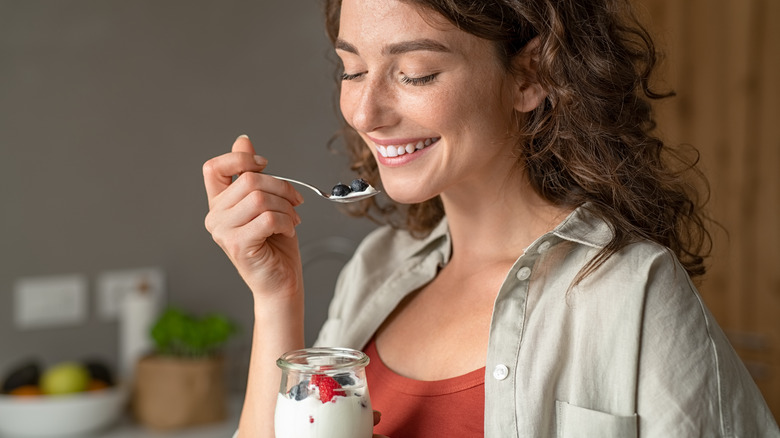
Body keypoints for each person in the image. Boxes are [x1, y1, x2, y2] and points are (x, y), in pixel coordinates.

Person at [203, 0, 779, 436]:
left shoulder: (635, 292)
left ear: (530, 77)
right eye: (352, 70)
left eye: (416, 73)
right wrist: (276, 298)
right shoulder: (375, 271)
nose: (365, 111)